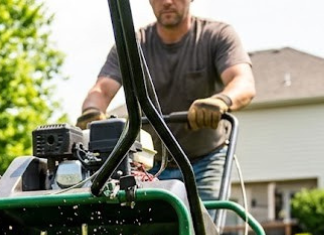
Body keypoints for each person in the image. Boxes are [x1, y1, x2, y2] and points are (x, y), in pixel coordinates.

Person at [77, 0, 255, 202]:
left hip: (205, 160)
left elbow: (243, 81)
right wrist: (92, 111)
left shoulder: (216, 35)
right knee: (150, 229)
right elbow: (102, 89)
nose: (167, 2)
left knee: (205, 227)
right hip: (150, 164)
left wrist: (221, 100)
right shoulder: (132, 45)